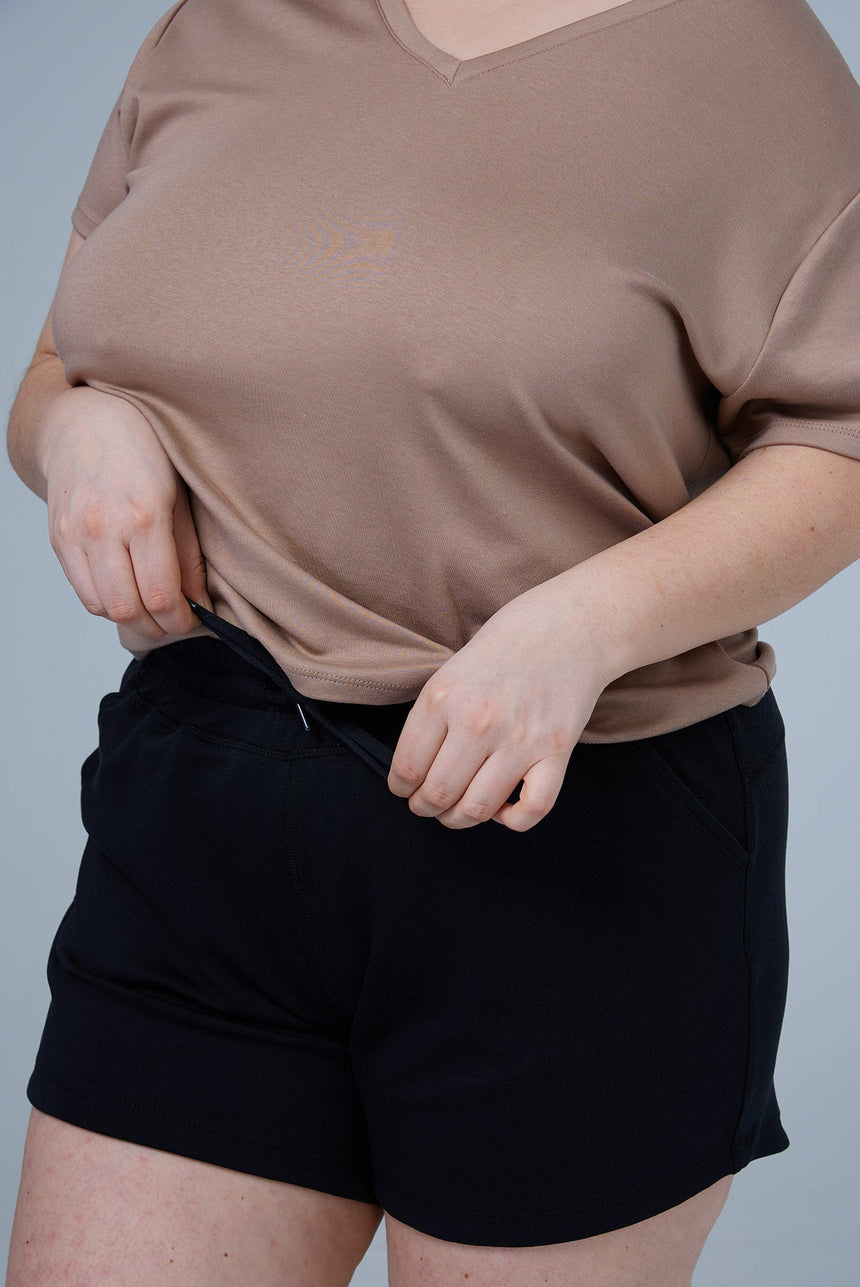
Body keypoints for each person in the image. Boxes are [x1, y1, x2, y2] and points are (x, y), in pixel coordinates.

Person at [5, 0, 860, 1282]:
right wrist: (75, 430)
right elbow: (69, 359)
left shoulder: (746, 65)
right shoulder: (219, 27)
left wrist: (581, 627)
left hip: (567, 839)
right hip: (199, 809)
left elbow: (840, 437)